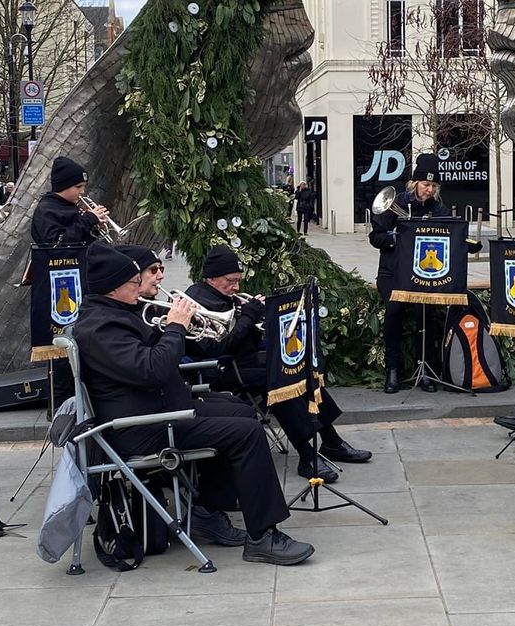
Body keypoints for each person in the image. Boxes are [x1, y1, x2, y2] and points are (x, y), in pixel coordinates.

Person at [72, 242, 314, 565]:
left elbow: (149, 355)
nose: (139, 289)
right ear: (113, 288)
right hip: (144, 426)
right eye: (133, 284)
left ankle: (206, 510)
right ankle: (262, 536)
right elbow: (153, 369)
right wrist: (175, 326)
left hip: (158, 408)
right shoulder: (101, 328)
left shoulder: (115, 313)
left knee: (241, 412)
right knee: (248, 433)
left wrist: (174, 327)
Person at [175, 244, 372, 481]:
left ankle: (331, 440)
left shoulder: (226, 297)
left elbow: (245, 339)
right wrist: (248, 316)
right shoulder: (195, 301)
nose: (236, 287)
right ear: (212, 277)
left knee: (297, 368)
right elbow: (217, 348)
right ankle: (306, 455)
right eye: (230, 281)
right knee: (278, 381)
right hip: (216, 371)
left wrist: (257, 318)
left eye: (238, 280)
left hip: (241, 362)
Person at [369, 152, 455, 393]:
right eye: (425, 184)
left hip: (423, 275)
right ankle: (392, 371)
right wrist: (397, 237)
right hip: (392, 273)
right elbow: (375, 238)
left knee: (425, 315)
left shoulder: (439, 209)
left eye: (433, 185)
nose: (428, 190)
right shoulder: (395, 203)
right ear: (415, 183)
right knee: (394, 312)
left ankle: (425, 369)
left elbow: (447, 236)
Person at [31, 156, 109, 247]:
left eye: (84, 186)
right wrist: (89, 219)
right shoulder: (46, 210)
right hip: (67, 259)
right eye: (78, 187)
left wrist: (96, 227)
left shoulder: (70, 205)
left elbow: (81, 235)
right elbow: (56, 243)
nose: (82, 191)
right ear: (63, 186)